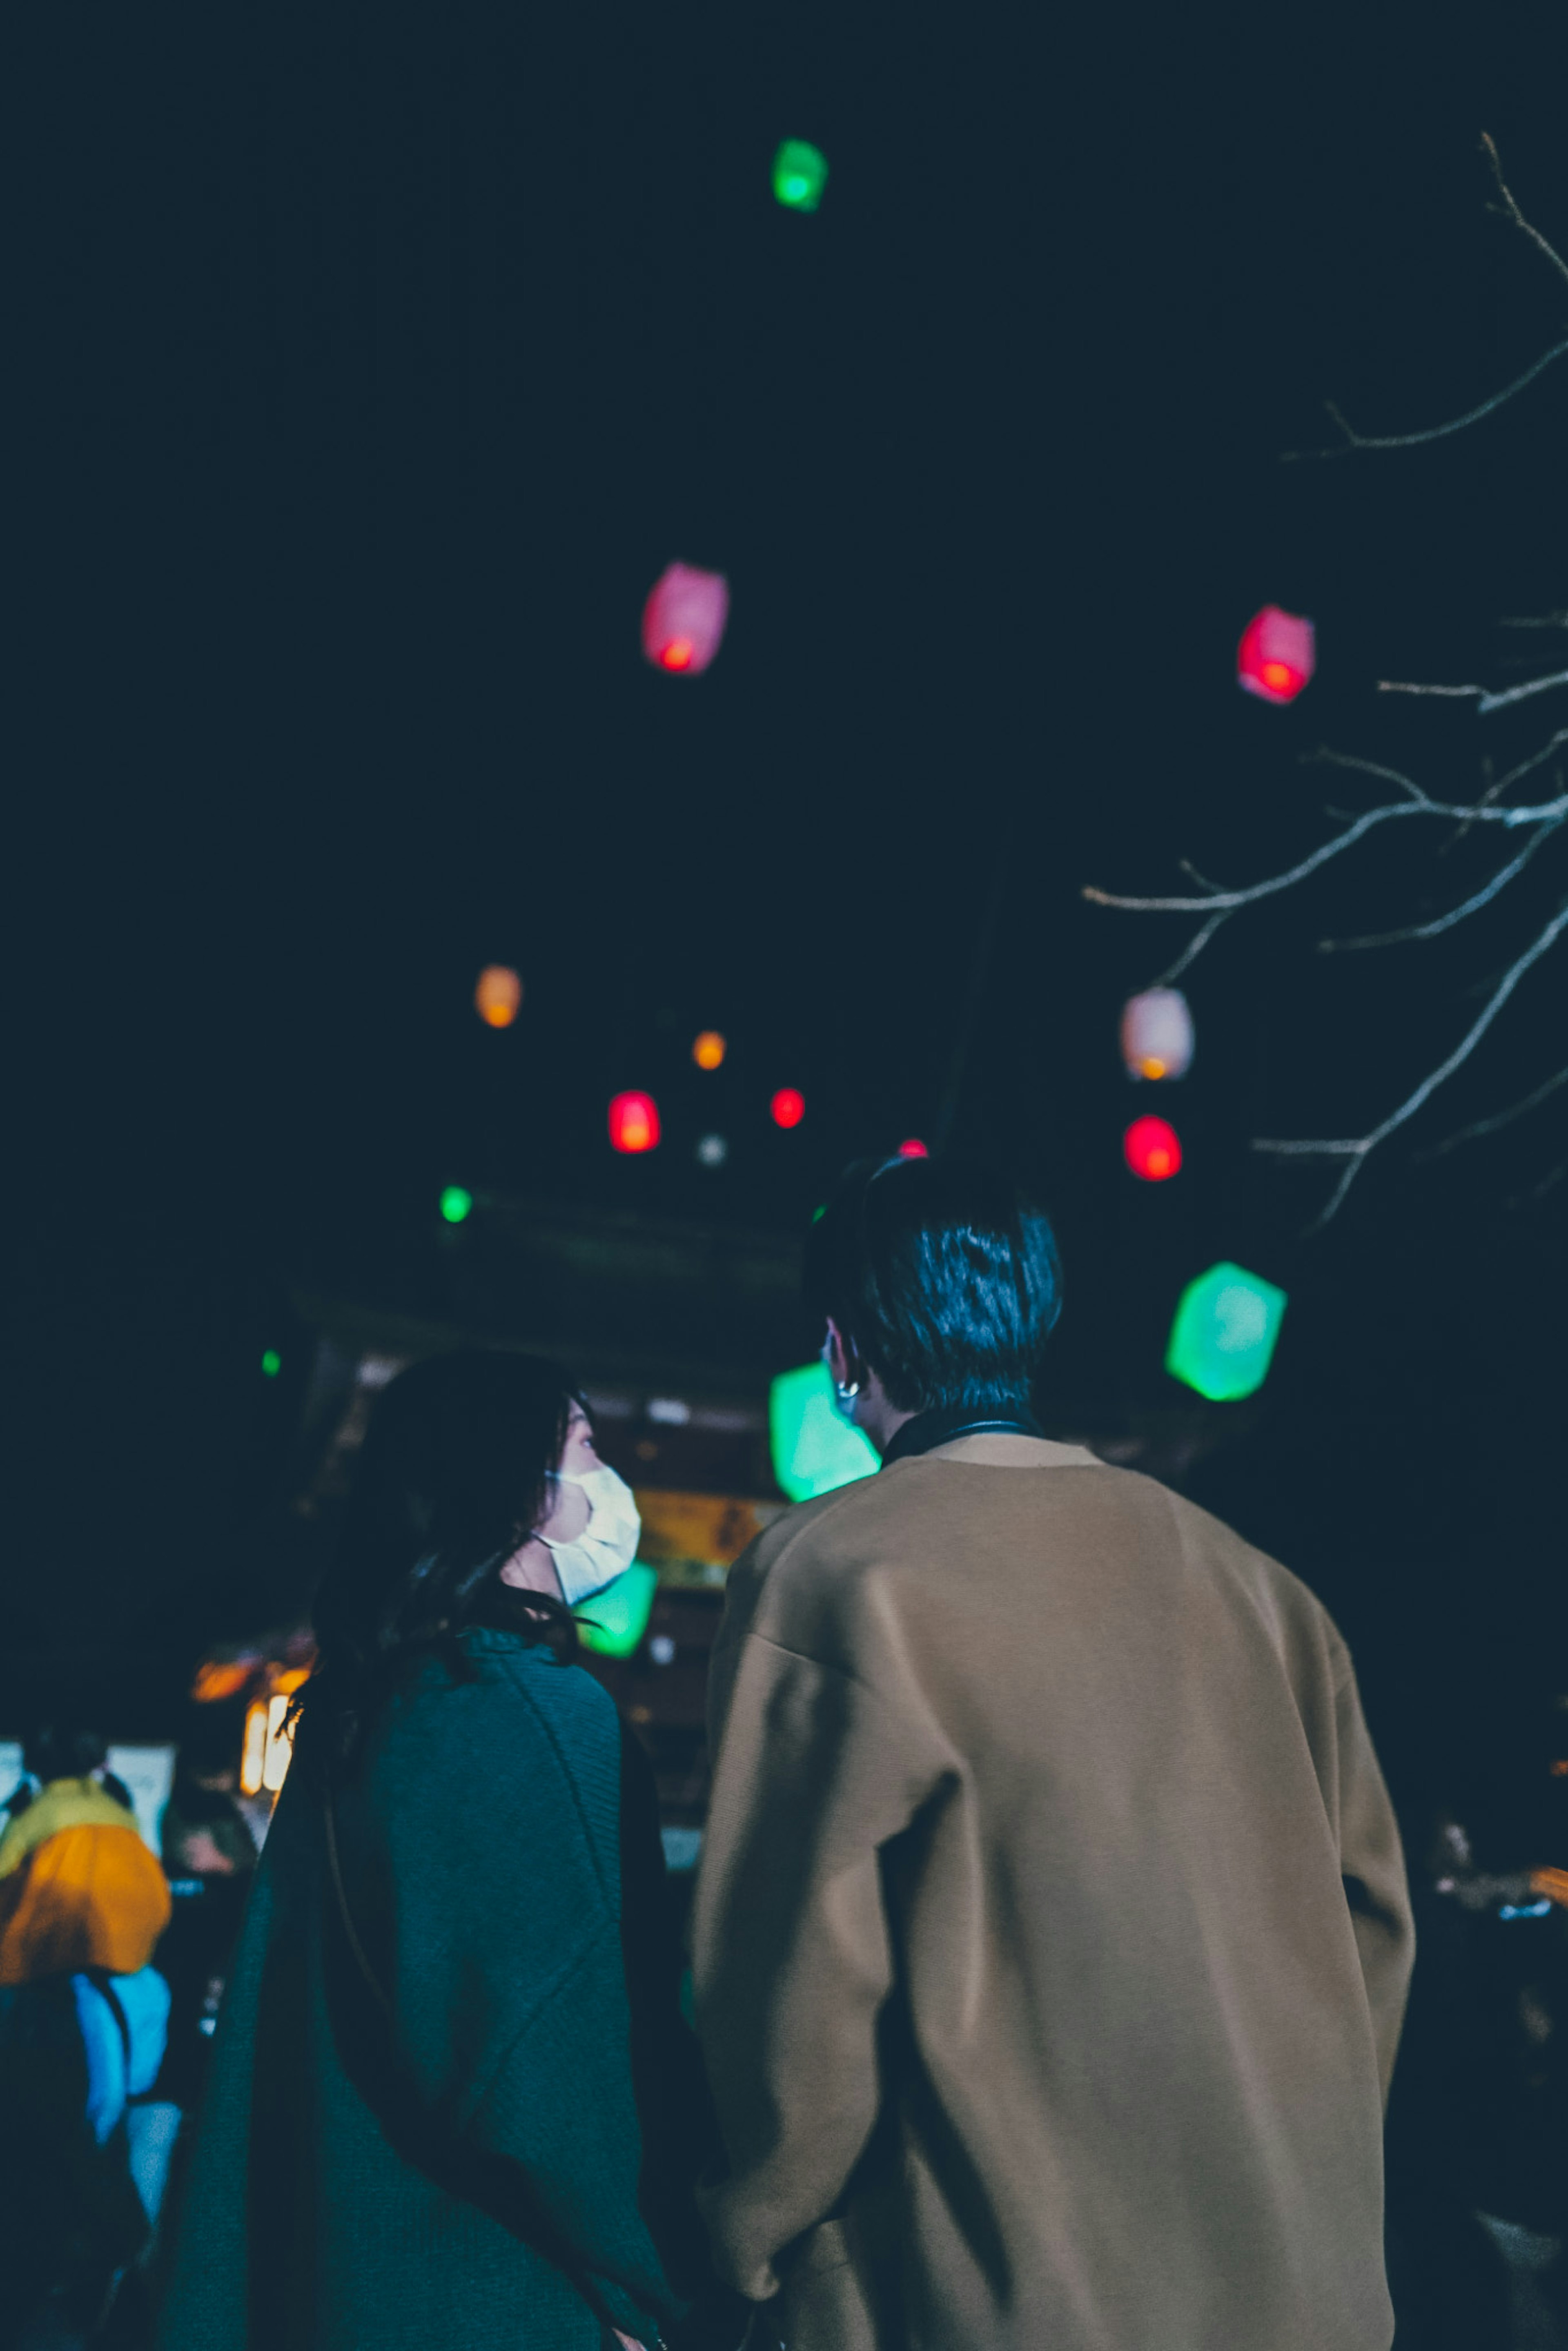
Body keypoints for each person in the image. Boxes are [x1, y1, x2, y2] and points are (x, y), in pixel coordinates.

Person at [693, 1153, 1416, 2351]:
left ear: (840, 1352)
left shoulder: (836, 1574)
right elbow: (1374, 1927)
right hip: (1301, 2289)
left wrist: (755, 2230)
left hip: (997, 2297)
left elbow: (795, 1972)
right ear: (1037, 1323)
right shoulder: (1259, 1590)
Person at [156, 1349, 747, 2351]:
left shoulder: (363, 1712)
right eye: (587, 1446)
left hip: (345, 2271)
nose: (608, 1480)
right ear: (521, 1487)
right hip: (505, 2289)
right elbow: (566, 2065)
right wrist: (667, 2282)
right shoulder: (540, 1717)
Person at [0, 1728, 173, 2351]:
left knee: (44, 2123)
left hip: (47, 1975)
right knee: (106, 2116)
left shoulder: (41, 1811)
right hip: (132, 1974)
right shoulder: (119, 1813)